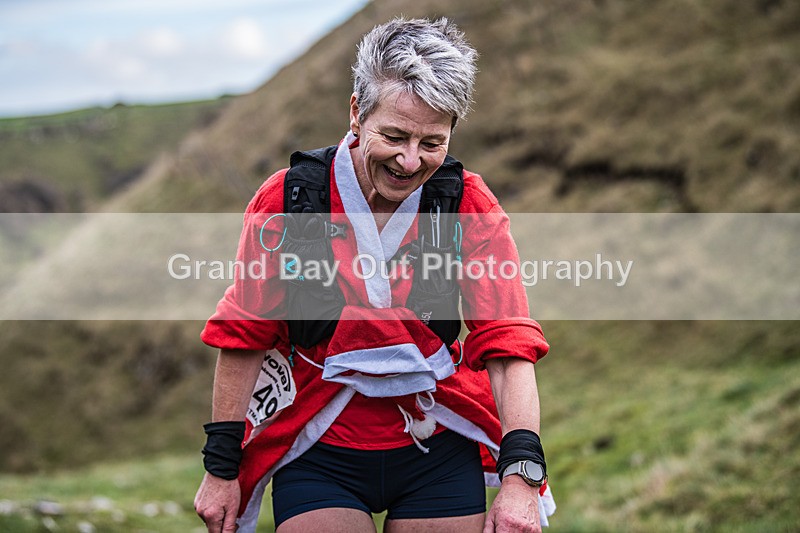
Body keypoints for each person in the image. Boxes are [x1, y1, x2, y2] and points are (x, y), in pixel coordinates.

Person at [194, 17, 555, 533]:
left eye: (433, 142)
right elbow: (246, 333)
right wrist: (221, 467)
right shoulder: (288, 201)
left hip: (437, 443)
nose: (410, 161)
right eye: (394, 135)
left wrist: (521, 475)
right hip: (318, 445)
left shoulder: (468, 204)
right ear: (357, 113)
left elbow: (506, 343)